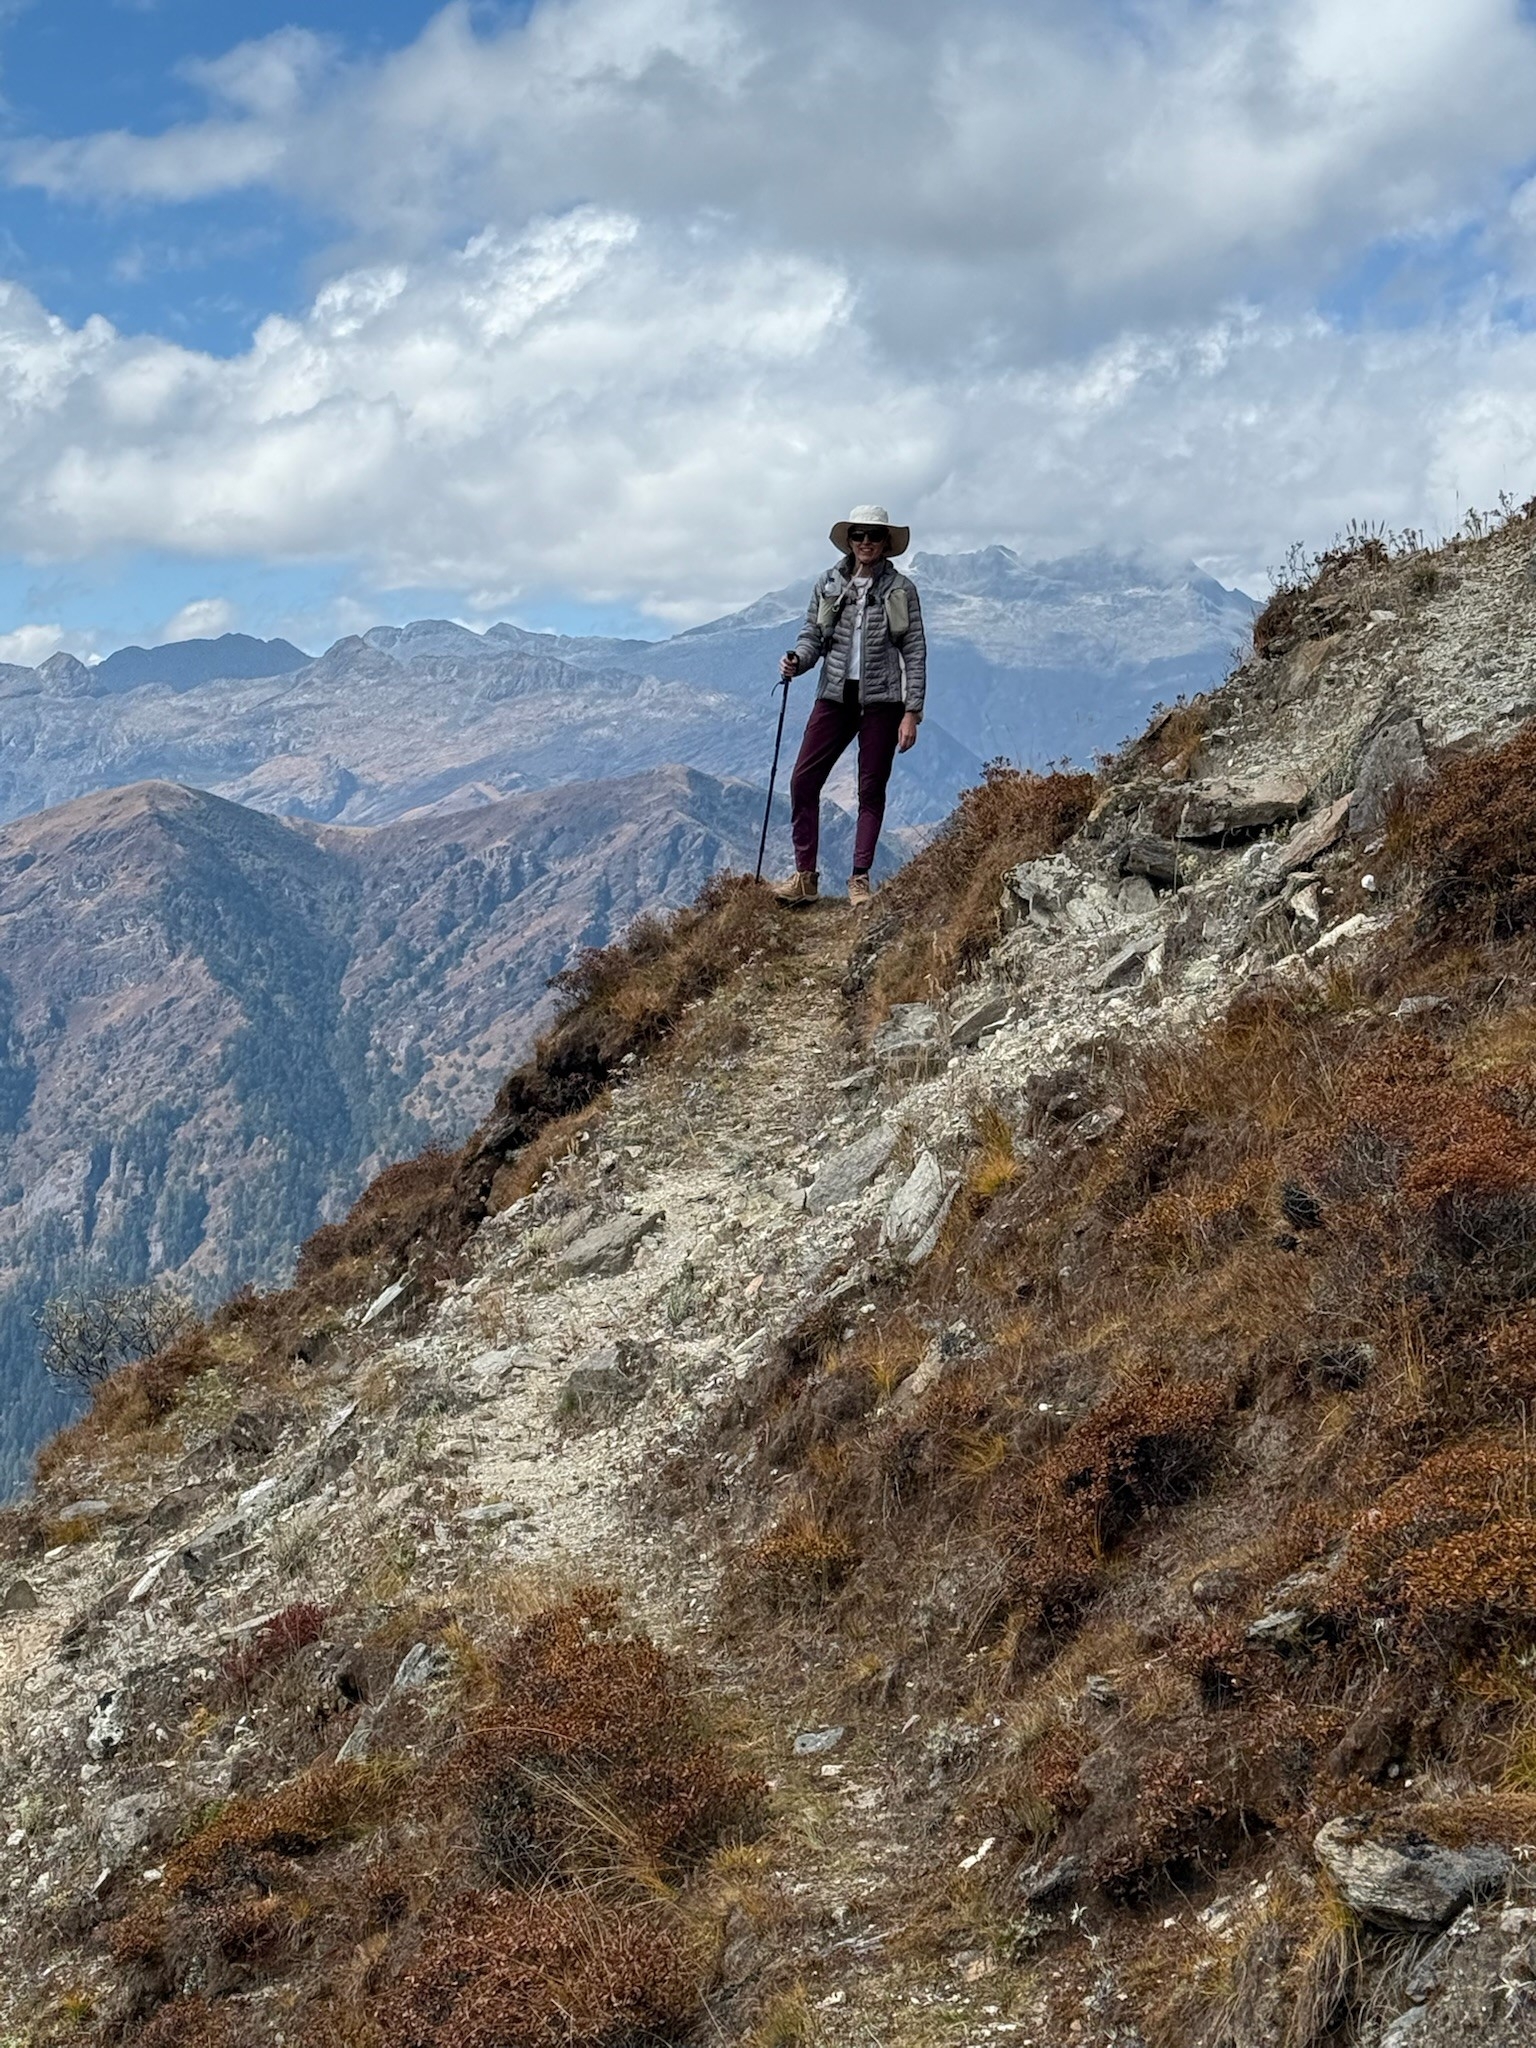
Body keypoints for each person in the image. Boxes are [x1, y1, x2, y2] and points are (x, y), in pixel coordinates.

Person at [772, 503, 926, 908]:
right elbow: (813, 636)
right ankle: (805, 876)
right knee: (803, 782)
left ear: (886, 543)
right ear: (850, 540)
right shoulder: (828, 584)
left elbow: (914, 650)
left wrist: (912, 712)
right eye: (858, 535)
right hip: (834, 697)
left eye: (874, 536)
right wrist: (798, 662)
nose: (865, 542)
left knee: (870, 789)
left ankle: (859, 879)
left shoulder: (901, 590)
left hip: (883, 701)